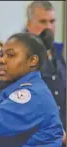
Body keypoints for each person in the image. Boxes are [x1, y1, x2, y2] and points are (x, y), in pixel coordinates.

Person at [25, 1, 66, 132]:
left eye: (52, 21)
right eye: (42, 22)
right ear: (29, 25)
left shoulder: (58, 56)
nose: (48, 27)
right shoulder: (21, 58)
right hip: (37, 139)